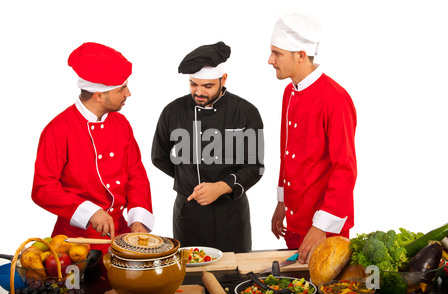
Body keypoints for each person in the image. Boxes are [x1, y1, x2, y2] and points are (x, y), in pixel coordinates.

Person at [31, 42, 154, 254]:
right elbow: (43, 188)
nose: (128, 93)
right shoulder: (58, 129)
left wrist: (138, 220)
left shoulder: (122, 124)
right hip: (74, 243)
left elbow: (136, 174)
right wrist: (89, 212)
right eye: (121, 89)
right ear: (99, 95)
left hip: (122, 236)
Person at [151, 41, 264, 253]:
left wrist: (220, 187)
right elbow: (159, 156)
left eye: (208, 86)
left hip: (231, 215)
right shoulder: (172, 112)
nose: (199, 92)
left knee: (234, 276)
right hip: (189, 215)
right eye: (193, 84)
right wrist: (188, 178)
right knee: (191, 279)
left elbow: (255, 167)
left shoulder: (246, 112)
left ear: (223, 80)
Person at [268, 13, 357, 264]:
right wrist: (281, 202)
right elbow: (288, 152)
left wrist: (321, 227)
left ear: (301, 55)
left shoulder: (335, 99)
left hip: (325, 229)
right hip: (295, 222)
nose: (270, 60)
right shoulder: (289, 92)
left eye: (277, 53)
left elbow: (345, 169)